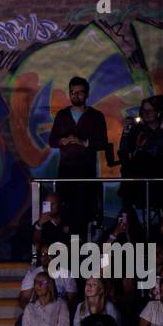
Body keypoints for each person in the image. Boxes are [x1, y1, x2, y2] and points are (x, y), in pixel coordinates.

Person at [49, 76, 109, 237]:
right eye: (72, 92)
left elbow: (103, 143)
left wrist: (84, 142)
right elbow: (52, 141)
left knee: (83, 211)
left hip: (86, 171)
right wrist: (61, 141)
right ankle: (65, 247)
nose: (75, 96)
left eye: (79, 93)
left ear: (87, 94)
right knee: (66, 209)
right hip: (66, 169)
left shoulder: (96, 116)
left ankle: (81, 248)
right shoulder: (62, 115)